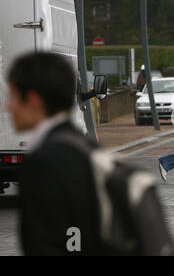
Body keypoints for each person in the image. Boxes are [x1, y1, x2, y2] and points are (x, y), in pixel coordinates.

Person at [6, 52, 104, 255]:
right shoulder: (81, 150)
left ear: (32, 100)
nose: (8, 105)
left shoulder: (52, 161)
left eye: (12, 96)